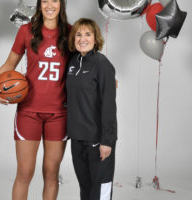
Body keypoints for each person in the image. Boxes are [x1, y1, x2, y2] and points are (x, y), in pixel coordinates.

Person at [0, 0, 70, 199]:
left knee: (51, 174)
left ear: (62, 4)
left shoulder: (71, 32)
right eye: (45, 1)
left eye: (55, 1)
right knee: (25, 172)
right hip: (28, 111)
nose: (50, 5)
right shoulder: (26, 31)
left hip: (60, 113)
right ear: (39, 4)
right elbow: (10, 63)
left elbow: (88, 60)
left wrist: (105, 76)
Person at [66, 18, 117, 200]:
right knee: (85, 188)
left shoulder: (102, 64)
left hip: (98, 140)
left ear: (95, 39)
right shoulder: (72, 63)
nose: (82, 39)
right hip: (77, 139)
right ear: (73, 39)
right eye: (78, 34)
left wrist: (107, 141)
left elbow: (109, 105)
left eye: (88, 34)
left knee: (100, 190)